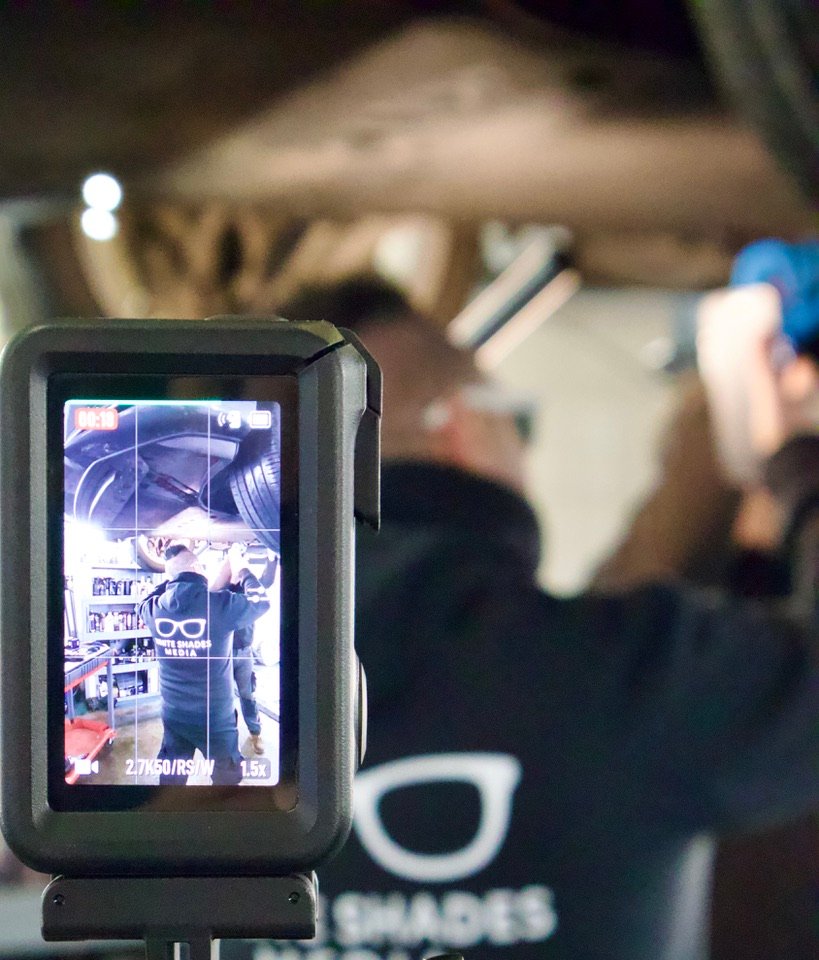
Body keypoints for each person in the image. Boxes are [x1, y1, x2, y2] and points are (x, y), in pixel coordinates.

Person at [232, 276, 818, 960]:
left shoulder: (161, 714)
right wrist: (793, 455)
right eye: (518, 421)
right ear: (460, 422)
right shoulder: (625, 678)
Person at [138, 543, 270, 786]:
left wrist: (174, 577)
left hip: (174, 715)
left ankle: (166, 821)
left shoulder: (153, 610)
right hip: (215, 720)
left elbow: (145, 600)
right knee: (226, 783)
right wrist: (240, 568)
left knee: (171, 780)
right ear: (198, 566)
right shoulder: (220, 606)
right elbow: (261, 601)